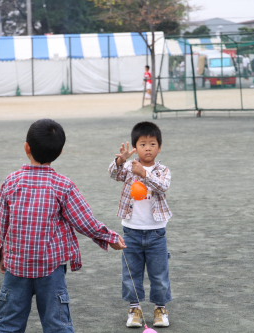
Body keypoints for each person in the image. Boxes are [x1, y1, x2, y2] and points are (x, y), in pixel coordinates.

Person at [0, 118, 126, 333]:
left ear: (27, 147)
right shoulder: (63, 185)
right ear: (60, 152)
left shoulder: (11, 181)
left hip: (16, 267)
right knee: (57, 326)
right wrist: (110, 237)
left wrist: (0, 253)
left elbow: (0, 223)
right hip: (51, 269)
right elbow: (85, 221)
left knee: (9, 325)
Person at [108, 121, 172, 328]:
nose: (148, 148)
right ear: (136, 147)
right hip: (132, 231)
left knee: (159, 274)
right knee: (131, 273)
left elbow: (162, 187)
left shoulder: (162, 170)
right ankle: (134, 308)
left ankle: (160, 308)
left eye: (152, 144)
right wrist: (120, 160)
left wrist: (144, 174)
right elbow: (113, 174)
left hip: (156, 233)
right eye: (143, 144)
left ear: (159, 147)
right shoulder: (128, 167)